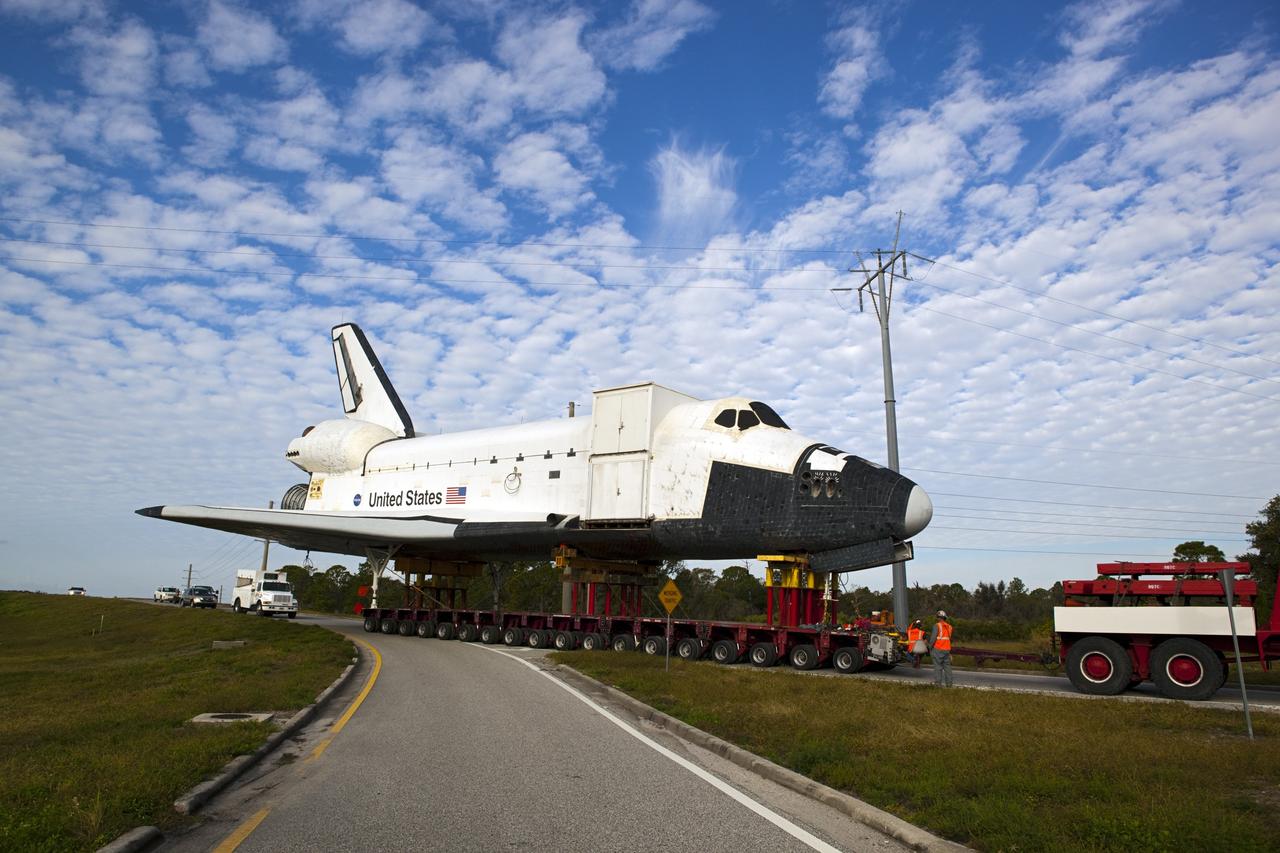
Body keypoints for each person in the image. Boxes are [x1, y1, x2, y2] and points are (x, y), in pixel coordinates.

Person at [930, 610, 954, 687]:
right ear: (945, 618)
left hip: (938, 649)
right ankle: (949, 684)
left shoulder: (937, 625)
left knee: (938, 667)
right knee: (947, 667)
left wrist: (930, 647)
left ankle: (938, 685)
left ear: (938, 617)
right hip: (947, 649)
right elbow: (949, 639)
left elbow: (933, 638)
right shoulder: (949, 627)